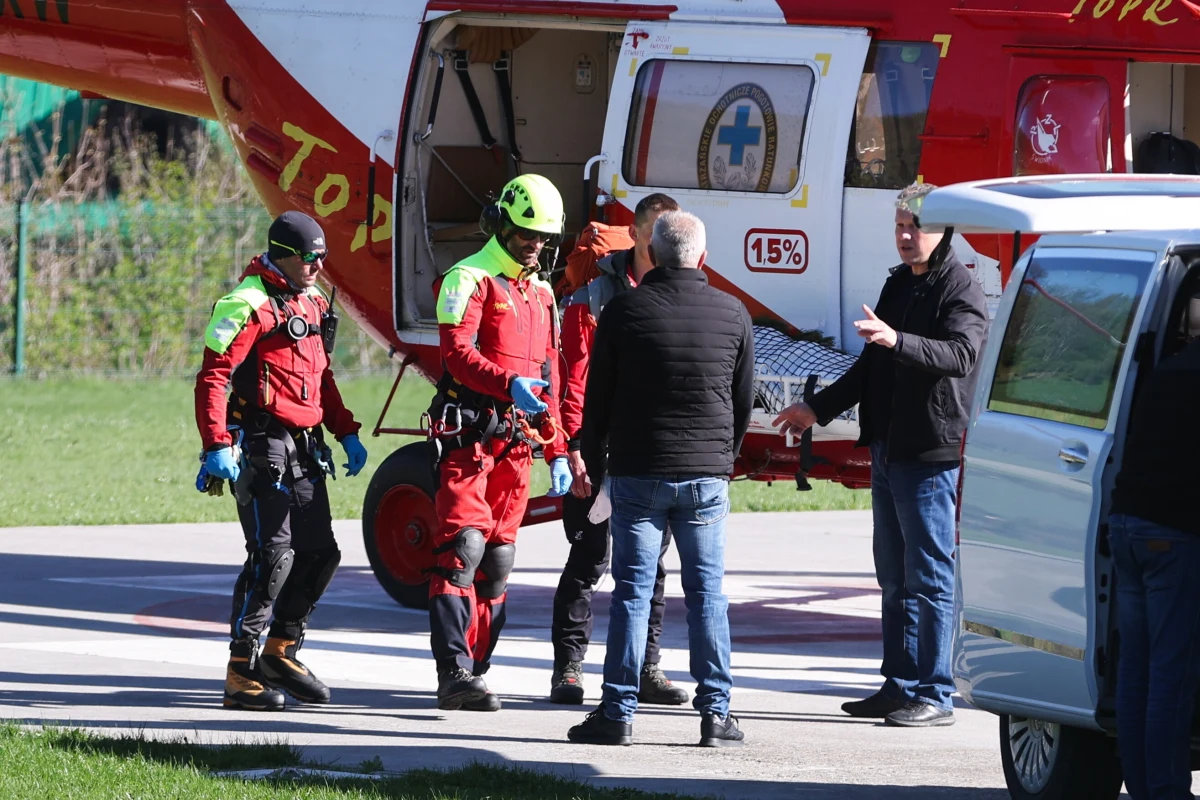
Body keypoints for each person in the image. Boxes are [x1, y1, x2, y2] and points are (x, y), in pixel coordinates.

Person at [773, 183, 988, 727]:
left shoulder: (961, 289)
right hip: (888, 449)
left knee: (930, 575)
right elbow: (869, 367)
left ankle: (936, 693)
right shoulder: (898, 285)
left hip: (928, 454)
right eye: (899, 226)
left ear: (944, 230)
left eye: (915, 226)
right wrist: (814, 410)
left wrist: (899, 341)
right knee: (893, 576)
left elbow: (961, 355)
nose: (906, 236)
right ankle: (899, 683)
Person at [567, 210, 754, 747]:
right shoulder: (732, 312)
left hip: (639, 472)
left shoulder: (624, 311)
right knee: (707, 594)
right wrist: (724, 455)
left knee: (632, 592)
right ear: (702, 256)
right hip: (705, 475)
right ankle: (716, 715)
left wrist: (598, 464)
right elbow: (742, 401)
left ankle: (617, 714)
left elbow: (597, 401)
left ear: (651, 252)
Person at [195, 210, 368, 711]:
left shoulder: (311, 300)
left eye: (321, 257)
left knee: (320, 553)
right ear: (283, 255)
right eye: (309, 258)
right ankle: (241, 670)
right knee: (273, 556)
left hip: (306, 444)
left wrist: (346, 430)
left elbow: (322, 376)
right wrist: (215, 444)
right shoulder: (246, 304)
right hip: (261, 442)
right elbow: (213, 378)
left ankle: (282, 650)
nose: (317, 266)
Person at [426, 173, 573, 712]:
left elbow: (548, 376)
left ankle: (477, 669)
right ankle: (454, 673)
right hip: (470, 439)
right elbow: (456, 355)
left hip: (517, 446)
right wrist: (505, 384)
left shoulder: (542, 292)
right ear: (502, 225)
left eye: (543, 239)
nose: (534, 246)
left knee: (499, 561)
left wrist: (557, 449)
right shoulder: (468, 278)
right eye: (525, 234)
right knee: (461, 551)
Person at [549, 193, 688, 707]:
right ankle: (568, 668)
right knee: (590, 558)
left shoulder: (683, 289)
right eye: (652, 231)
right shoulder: (593, 297)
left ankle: (647, 666)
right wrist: (575, 449)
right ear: (634, 233)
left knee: (652, 567)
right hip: (600, 449)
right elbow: (574, 379)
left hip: (653, 452)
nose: (659, 242)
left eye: (668, 232)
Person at [1106, 300, 1200, 800]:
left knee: (1136, 671)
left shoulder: (1168, 369)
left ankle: (1144, 787)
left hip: (1128, 525)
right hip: (1171, 534)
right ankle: (1166, 791)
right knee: (1171, 672)